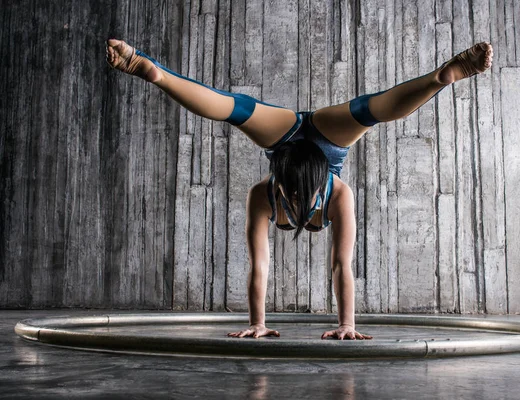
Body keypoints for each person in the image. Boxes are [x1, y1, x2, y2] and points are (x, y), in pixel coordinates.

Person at [106, 38, 493, 340]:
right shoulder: (263, 194)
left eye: (297, 198)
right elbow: (259, 263)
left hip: (314, 144)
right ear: (276, 184)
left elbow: (343, 265)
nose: (292, 201)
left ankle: (443, 75)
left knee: (370, 111)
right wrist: (257, 323)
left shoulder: (338, 193)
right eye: (288, 196)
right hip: (292, 142)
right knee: (232, 108)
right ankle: (151, 70)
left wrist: (347, 323)